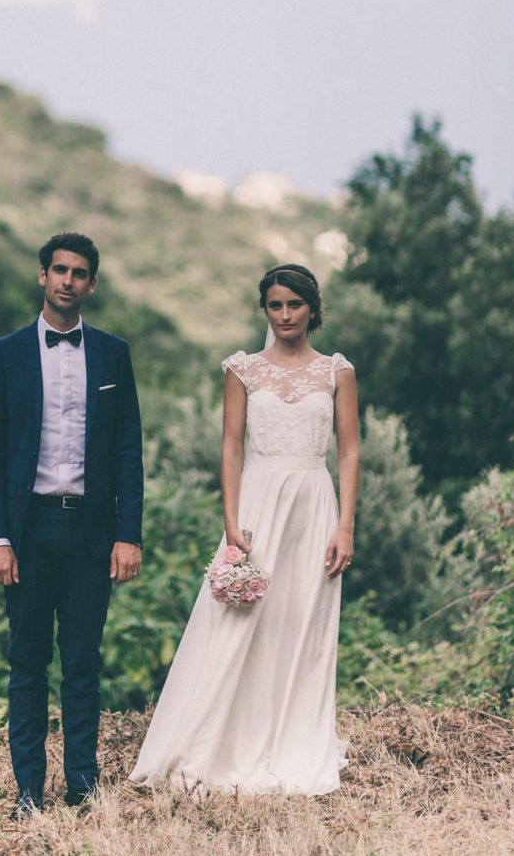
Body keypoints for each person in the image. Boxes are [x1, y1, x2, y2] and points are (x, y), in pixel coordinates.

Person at [131, 263, 358, 796]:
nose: (284, 315)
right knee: (238, 621)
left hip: (313, 503)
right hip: (256, 503)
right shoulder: (243, 369)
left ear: (312, 309)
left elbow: (348, 449)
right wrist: (231, 519)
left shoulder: (336, 372)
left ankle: (292, 741)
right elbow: (231, 445)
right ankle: (216, 742)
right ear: (265, 310)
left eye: (294, 305)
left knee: (303, 622)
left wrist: (345, 524)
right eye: (275, 305)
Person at [0, 231, 144, 816]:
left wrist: (130, 533)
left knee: (82, 662)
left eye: (79, 273)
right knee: (27, 664)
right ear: (41, 276)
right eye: (59, 270)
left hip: (92, 531)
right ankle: (28, 790)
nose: (68, 280)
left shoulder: (113, 353)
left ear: (92, 284)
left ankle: (82, 786)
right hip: (27, 530)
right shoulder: (6, 353)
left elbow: (128, 449)